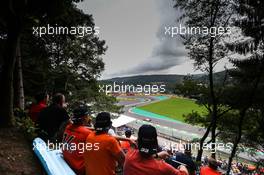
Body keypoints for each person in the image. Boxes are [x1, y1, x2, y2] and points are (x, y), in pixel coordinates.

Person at [123, 124, 189, 175]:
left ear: (138, 141)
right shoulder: (163, 167)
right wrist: (182, 166)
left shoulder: (129, 155)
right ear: (155, 142)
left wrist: (157, 155)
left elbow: (143, 157)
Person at [62, 105, 93, 175]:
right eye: (87, 115)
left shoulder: (68, 127)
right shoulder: (87, 133)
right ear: (84, 117)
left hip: (67, 160)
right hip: (78, 168)